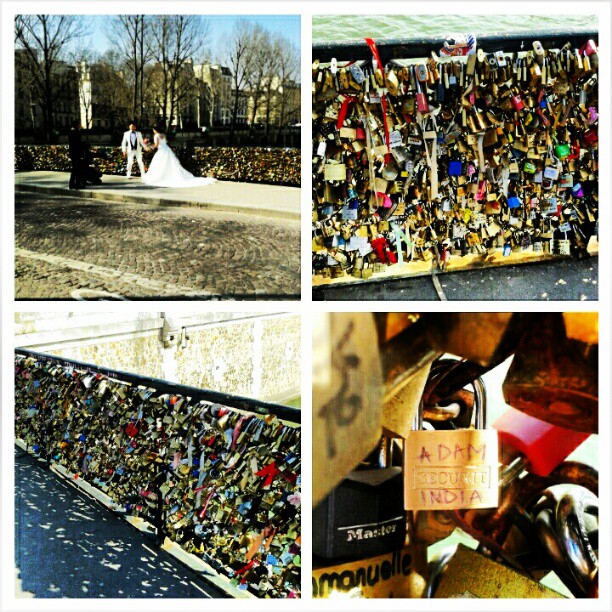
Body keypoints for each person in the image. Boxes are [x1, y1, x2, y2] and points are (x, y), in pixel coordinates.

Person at [142, 126, 216, 188]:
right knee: (169, 163)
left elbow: (156, 145)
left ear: (155, 130)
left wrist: (149, 145)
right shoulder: (163, 135)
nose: (153, 131)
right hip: (167, 149)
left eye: (153, 130)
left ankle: (160, 177)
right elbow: (166, 142)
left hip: (161, 150)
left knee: (159, 164)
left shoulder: (156, 135)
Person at [68, 120, 86, 189]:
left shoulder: (71, 133)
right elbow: (78, 144)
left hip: (73, 153)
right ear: (77, 125)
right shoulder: (77, 133)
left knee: (75, 169)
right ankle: (77, 184)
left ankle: (72, 183)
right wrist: (84, 145)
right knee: (78, 169)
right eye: (80, 124)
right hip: (77, 153)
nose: (81, 126)